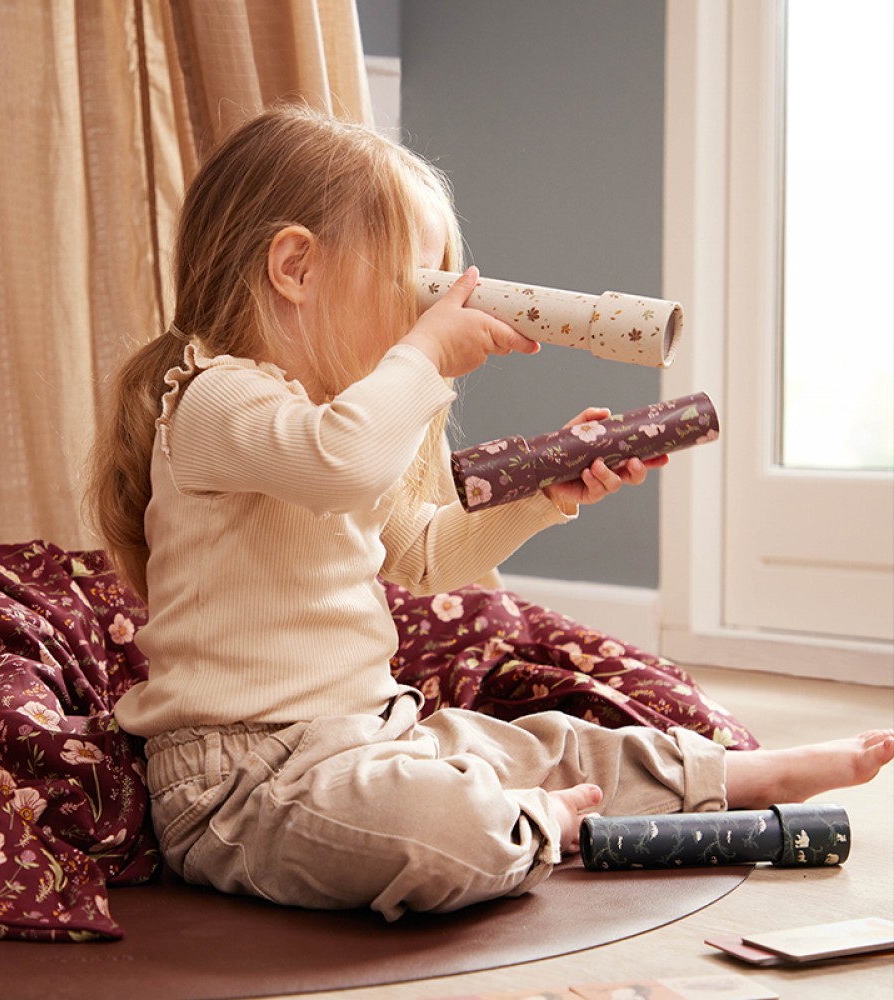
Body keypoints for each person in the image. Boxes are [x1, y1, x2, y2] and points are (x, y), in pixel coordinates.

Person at [87, 105, 894, 921]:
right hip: (242, 782)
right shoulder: (215, 396)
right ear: (294, 267)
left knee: (550, 741)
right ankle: (529, 827)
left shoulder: (353, 416)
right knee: (433, 824)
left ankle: (734, 778)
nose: (424, 319)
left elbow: (428, 556)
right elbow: (342, 462)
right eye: (415, 288)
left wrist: (547, 497)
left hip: (373, 736)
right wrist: (426, 355)